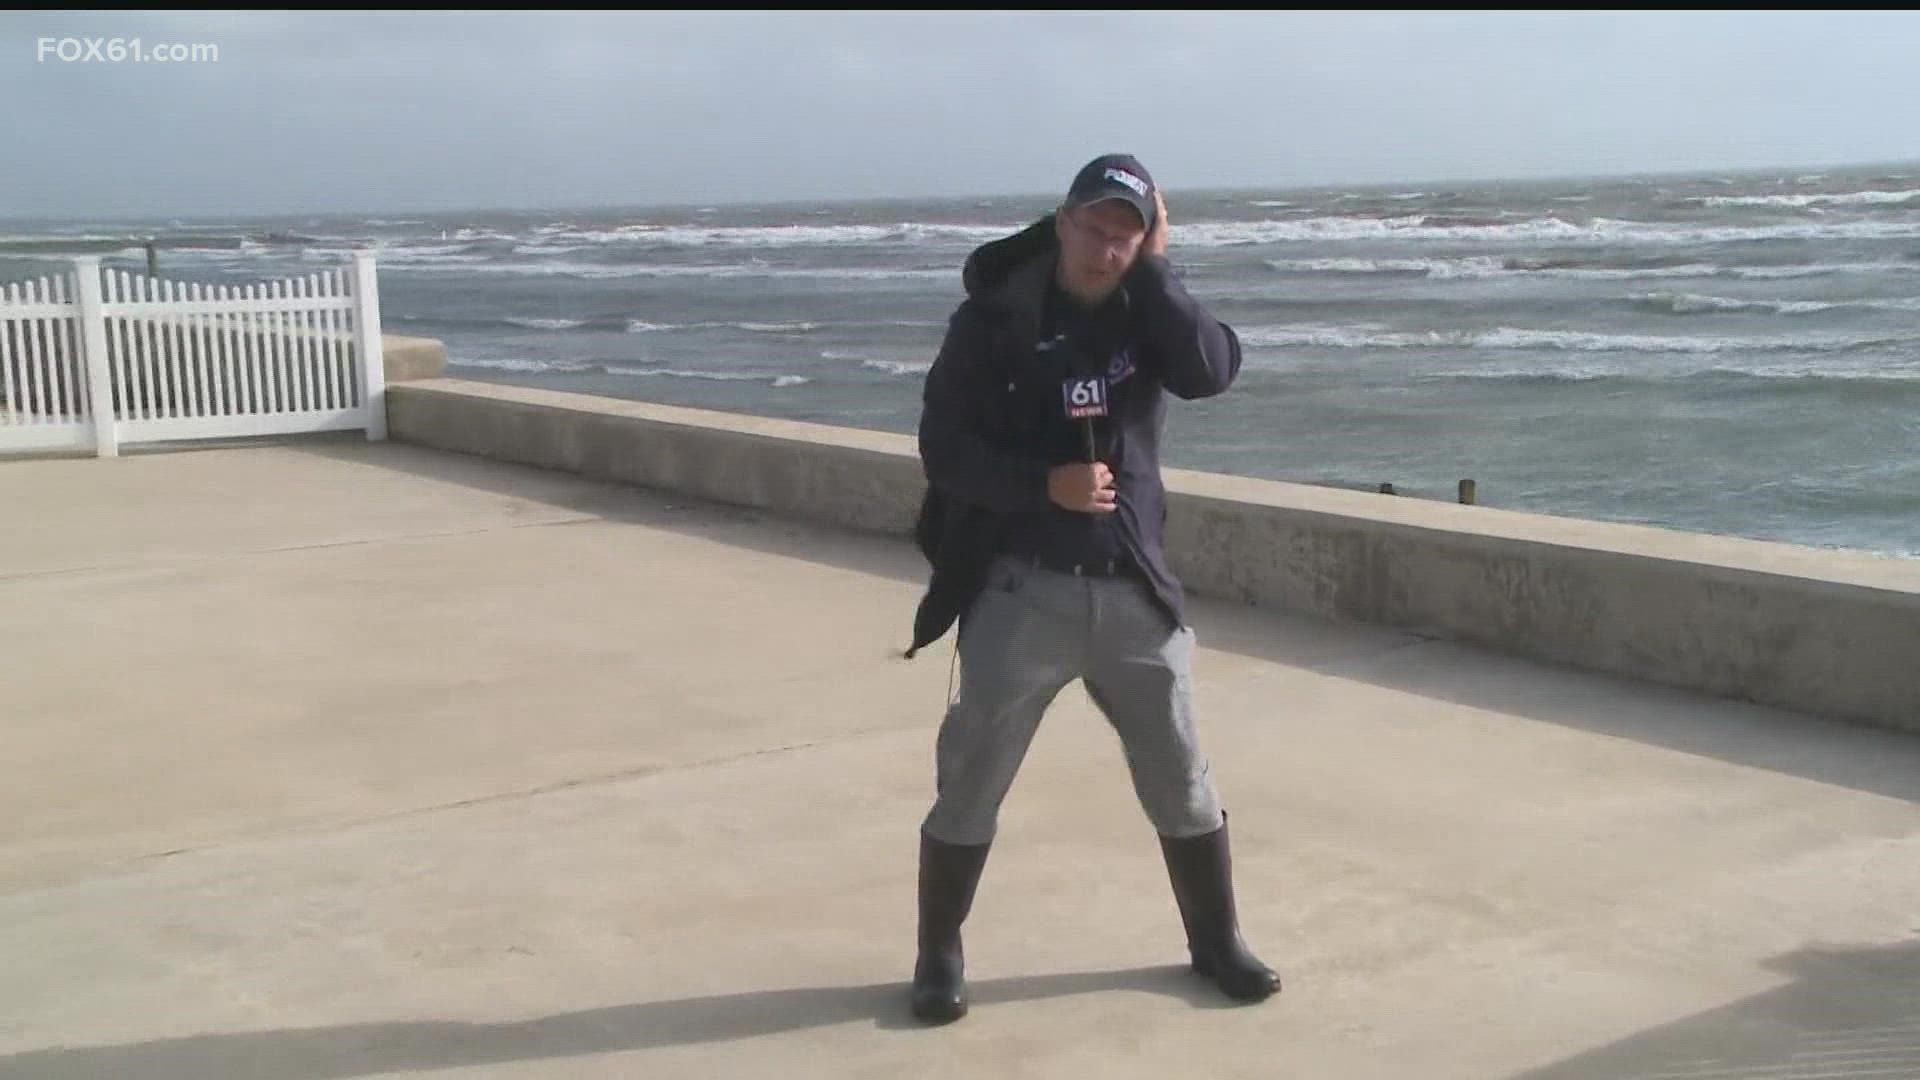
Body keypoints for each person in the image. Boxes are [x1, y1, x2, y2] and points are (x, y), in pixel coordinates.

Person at [900, 153, 1281, 1024]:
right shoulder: (992, 319)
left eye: (1127, 235)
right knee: (971, 780)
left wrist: (1160, 271)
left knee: (1182, 777)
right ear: (1063, 221)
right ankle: (938, 953)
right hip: (1018, 592)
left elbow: (1213, 369)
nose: (1107, 250)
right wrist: (1044, 485)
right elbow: (943, 450)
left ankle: (1216, 943)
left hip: (1131, 592)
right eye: (1097, 229)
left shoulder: (1147, 309)